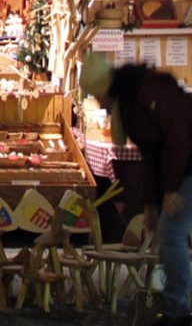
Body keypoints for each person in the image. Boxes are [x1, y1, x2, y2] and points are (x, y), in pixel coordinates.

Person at [81, 54, 192, 326]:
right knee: (167, 234)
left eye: (98, 96)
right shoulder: (130, 102)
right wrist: (152, 203)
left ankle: (179, 313)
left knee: (172, 233)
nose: (100, 104)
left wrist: (169, 190)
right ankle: (175, 305)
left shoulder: (145, 95)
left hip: (189, 160)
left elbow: (178, 139)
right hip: (181, 162)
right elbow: (150, 155)